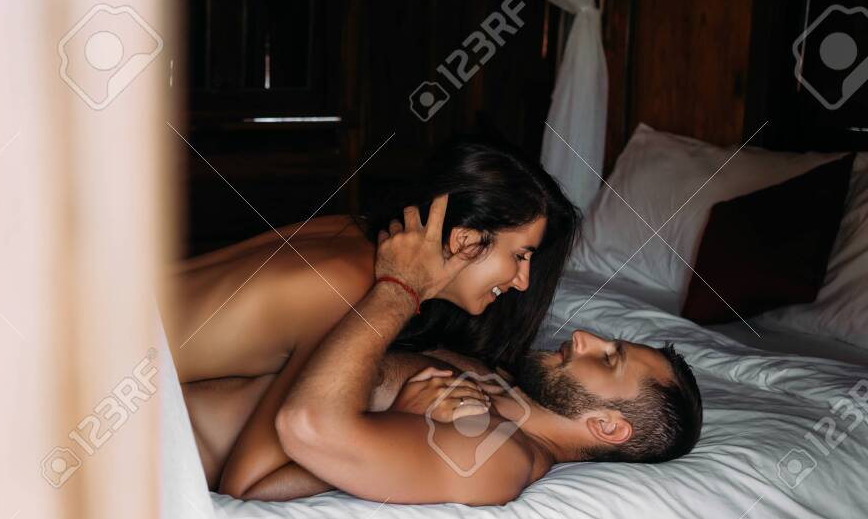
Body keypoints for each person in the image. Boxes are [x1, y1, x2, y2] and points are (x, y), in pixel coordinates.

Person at [169, 137, 579, 500]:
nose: (523, 281)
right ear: (465, 241)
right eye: (520, 256)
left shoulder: (354, 234)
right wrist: (394, 421)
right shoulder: (350, 290)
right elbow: (248, 483)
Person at [274, 195, 704, 505]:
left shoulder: (499, 458)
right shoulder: (500, 382)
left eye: (609, 359)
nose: (583, 337)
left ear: (608, 427)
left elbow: (298, 438)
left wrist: (398, 288)